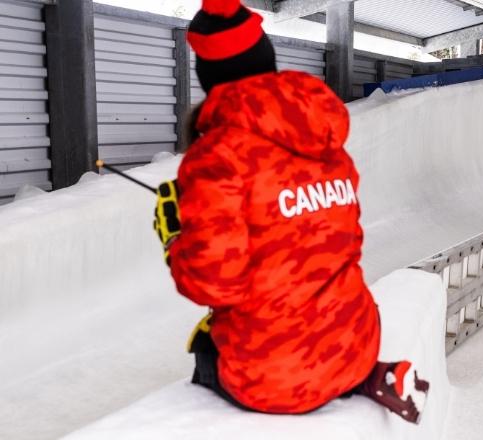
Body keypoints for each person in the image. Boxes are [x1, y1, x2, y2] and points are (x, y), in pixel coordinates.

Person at [151, 0, 428, 423]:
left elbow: (214, 284)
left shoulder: (217, 156)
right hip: (357, 342)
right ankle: (357, 377)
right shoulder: (326, 139)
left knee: (205, 349)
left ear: (208, 76)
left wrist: (175, 238)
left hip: (272, 378)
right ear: (267, 60)